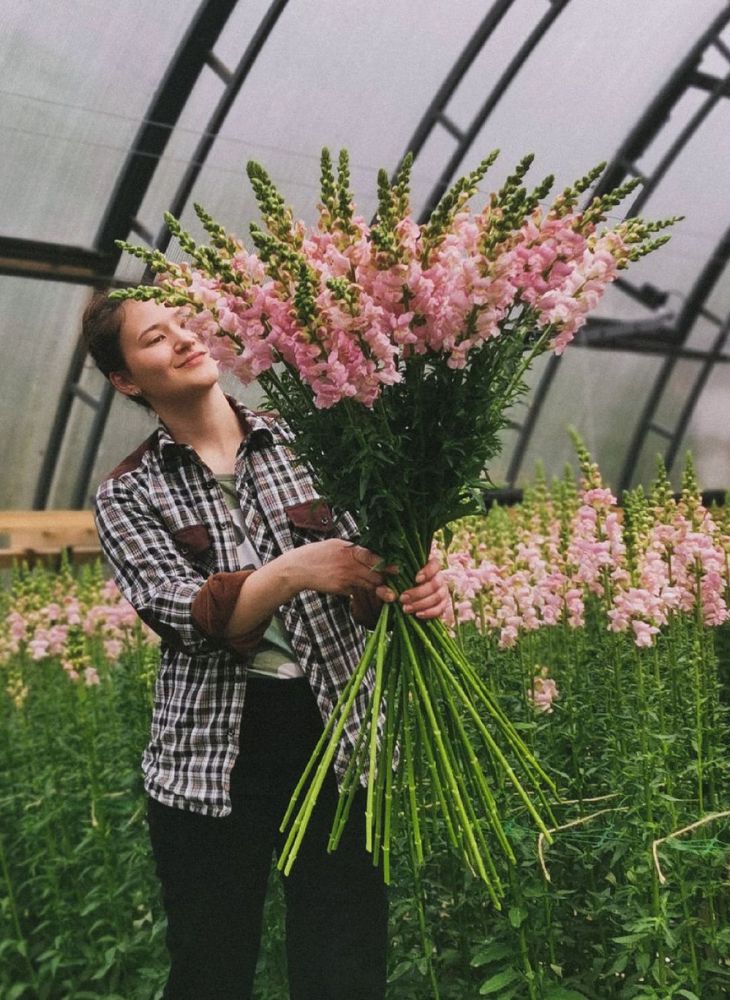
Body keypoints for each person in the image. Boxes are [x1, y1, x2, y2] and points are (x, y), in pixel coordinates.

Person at [82, 293, 449, 1000]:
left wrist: (419, 590)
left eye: (188, 325)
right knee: (211, 967)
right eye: (156, 340)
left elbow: (376, 572)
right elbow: (187, 616)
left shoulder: (315, 439)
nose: (185, 341)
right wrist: (293, 571)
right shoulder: (128, 493)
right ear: (127, 381)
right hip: (211, 757)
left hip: (335, 731)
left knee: (343, 964)